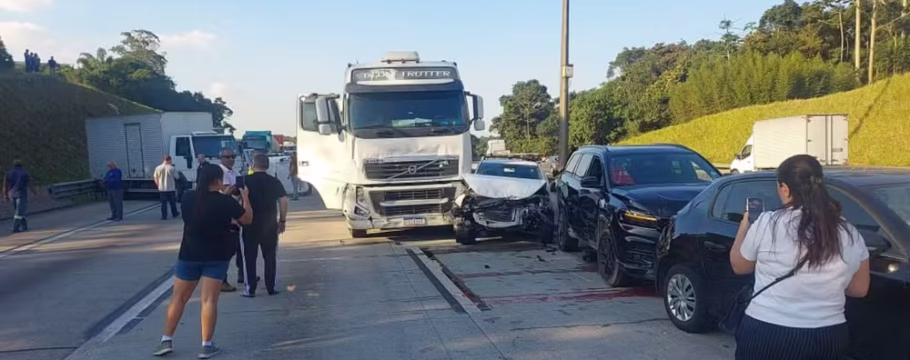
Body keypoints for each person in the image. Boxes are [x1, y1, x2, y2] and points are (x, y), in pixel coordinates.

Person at [730, 154, 870, 360]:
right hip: (827, 334)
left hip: (767, 330)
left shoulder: (768, 222)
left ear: (785, 189)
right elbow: (859, 289)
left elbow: (739, 266)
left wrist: (744, 227)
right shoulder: (848, 231)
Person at [153, 164, 253, 358]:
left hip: (189, 254)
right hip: (216, 256)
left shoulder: (189, 198)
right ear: (217, 180)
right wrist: (245, 198)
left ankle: (166, 339)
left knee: (178, 298)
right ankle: (206, 344)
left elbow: (198, 215)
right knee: (208, 300)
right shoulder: (225, 202)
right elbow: (247, 219)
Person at [239, 153, 289, 297]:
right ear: (267, 165)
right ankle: (270, 287)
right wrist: (282, 220)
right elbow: (283, 200)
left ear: (253, 165)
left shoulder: (244, 181)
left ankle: (250, 289)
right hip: (269, 225)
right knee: (270, 256)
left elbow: (236, 198)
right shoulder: (274, 182)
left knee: (249, 257)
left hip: (249, 224)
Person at [217, 148, 242, 292]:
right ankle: (222, 280)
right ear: (221, 158)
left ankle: (242, 273)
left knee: (239, 247)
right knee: (226, 249)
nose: (231, 159)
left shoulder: (234, 171)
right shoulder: (222, 172)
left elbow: (238, 187)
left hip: (235, 211)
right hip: (226, 213)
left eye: (233, 156)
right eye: (228, 157)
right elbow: (228, 189)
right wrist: (237, 190)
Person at [3, 160, 34, 233]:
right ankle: (15, 228)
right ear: (21, 165)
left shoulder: (8, 173)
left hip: (12, 194)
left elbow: (5, 185)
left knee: (18, 210)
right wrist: (34, 192)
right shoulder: (25, 173)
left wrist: (5, 195)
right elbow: (29, 183)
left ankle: (24, 226)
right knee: (19, 212)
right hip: (21, 194)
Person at [153, 155, 181, 220]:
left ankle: (164, 216)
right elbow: (177, 177)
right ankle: (174, 213)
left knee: (163, 203)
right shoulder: (172, 168)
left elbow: (155, 177)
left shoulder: (158, 168)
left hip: (162, 189)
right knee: (172, 202)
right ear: (169, 160)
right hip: (171, 188)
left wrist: (158, 185)